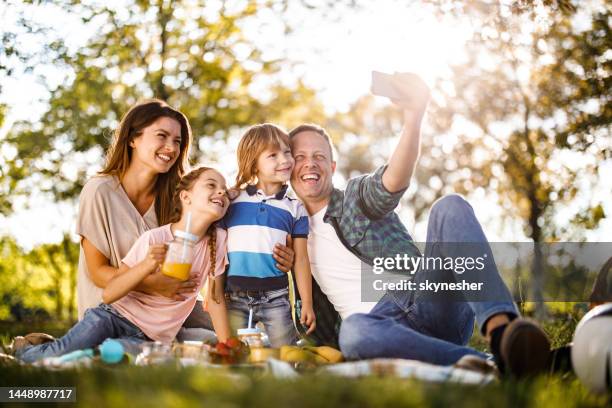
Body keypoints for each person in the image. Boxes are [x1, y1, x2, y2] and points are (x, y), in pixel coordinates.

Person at [286, 73, 551, 377]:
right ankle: (495, 364)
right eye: (300, 157)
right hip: (380, 330)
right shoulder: (288, 232)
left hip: (425, 297)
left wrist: (414, 118)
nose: (310, 163)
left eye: (319, 156)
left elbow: (393, 179)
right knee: (354, 333)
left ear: (332, 168)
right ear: (287, 166)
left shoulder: (355, 197)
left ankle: (503, 333)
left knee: (449, 206)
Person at [16, 167, 231, 363]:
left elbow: (215, 300)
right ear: (186, 197)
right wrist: (147, 265)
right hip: (111, 317)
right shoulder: (154, 239)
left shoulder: (218, 241)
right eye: (211, 185)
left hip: (151, 338)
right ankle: (21, 351)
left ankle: (63, 348)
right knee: (58, 354)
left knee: (111, 355)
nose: (221, 192)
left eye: (225, 190)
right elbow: (110, 293)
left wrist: (226, 347)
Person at [221, 123, 316, 347]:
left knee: (285, 354)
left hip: (276, 296)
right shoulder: (232, 201)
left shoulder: (295, 208)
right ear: (253, 163)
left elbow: (301, 259)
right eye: (272, 155)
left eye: (287, 152)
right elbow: (215, 248)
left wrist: (307, 303)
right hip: (234, 295)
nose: (284, 160)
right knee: (233, 354)